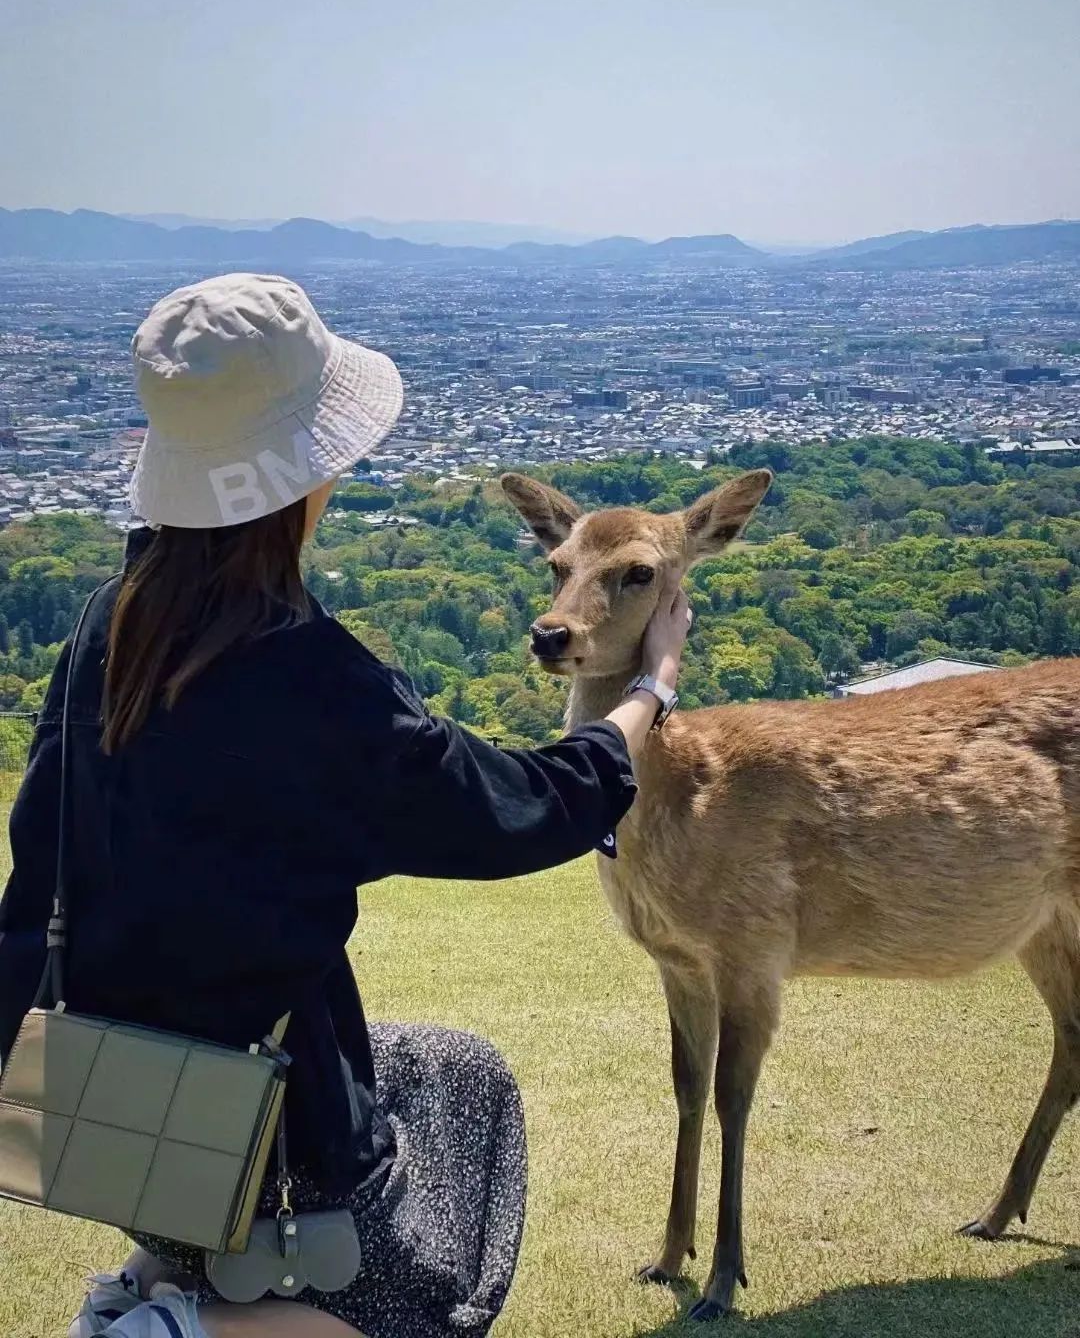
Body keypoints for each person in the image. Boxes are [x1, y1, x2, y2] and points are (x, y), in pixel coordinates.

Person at [0, 274, 691, 1338]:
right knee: (432, 1291)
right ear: (306, 469)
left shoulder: (113, 619)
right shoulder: (305, 679)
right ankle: (176, 1329)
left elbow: (37, 834)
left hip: (95, 1083)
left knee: (444, 1070)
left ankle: (154, 1281)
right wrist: (650, 693)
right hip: (250, 1114)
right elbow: (518, 805)